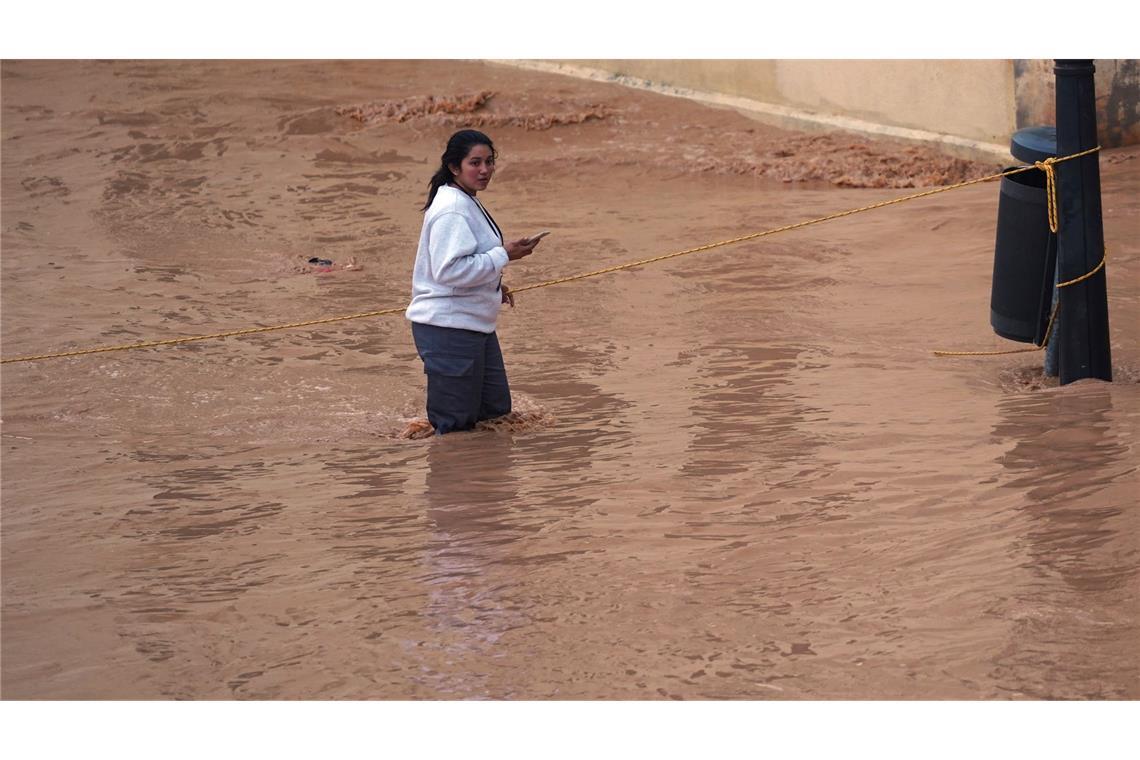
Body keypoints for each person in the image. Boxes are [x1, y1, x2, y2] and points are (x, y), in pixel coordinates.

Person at [405, 129, 541, 435]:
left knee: (495, 412)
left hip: (473, 326)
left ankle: (485, 477)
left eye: (489, 162)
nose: (484, 170)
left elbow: (463, 265)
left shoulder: (464, 200)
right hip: (448, 330)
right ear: (455, 167)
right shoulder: (452, 209)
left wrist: (493, 286)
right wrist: (504, 255)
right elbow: (450, 271)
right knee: (454, 428)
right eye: (475, 163)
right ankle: (454, 477)